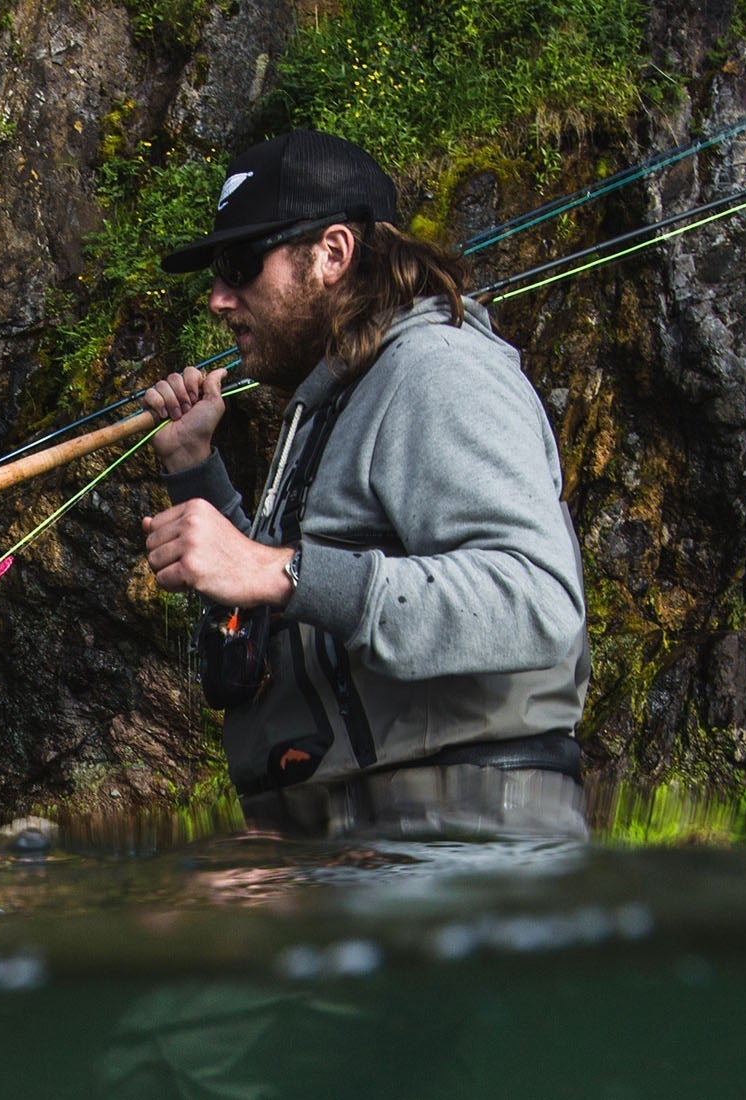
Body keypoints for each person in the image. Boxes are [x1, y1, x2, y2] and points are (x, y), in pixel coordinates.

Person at [140, 131, 591, 839]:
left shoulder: (437, 371)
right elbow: (281, 601)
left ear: (333, 252)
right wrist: (195, 468)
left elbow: (538, 602)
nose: (219, 299)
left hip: (460, 835)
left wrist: (278, 570)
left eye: (240, 266)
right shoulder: (334, 398)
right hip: (357, 835)